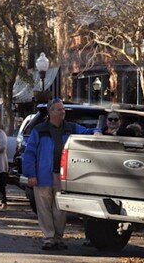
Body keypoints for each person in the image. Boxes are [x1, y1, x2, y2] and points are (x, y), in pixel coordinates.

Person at [22, 98, 95, 251]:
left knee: (60, 210)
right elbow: (29, 154)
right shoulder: (39, 130)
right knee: (44, 209)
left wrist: (98, 131)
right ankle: (49, 238)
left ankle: (58, 238)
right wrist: (31, 175)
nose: (63, 112)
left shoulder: (71, 128)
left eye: (63, 109)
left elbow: (88, 132)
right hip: (42, 176)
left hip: (62, 176)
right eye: (59, 109)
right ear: (51, 112)